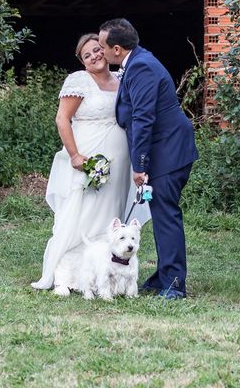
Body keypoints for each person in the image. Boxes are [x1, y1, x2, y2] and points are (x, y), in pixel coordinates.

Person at [31, 33, 150, 291]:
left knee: (111, 214)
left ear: (107, 50)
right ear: (82, 62)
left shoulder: (121, 79)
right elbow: (62, 119)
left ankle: (105, 274)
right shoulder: (79, 81)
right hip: (89, 159)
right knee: (83, 213)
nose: (95, 56)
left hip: (118, 163)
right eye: (88, 55)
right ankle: (66, 275)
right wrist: (74, 155)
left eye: (98, 50)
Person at [98, 18, 198, 300]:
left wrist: (140, 165)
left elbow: (143, 118)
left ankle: (175, 284)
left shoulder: (141, 66)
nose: (100, 51)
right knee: (161, 214)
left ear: (117, 49)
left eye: (103, 46)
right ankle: (162, 276)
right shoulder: (138, 61)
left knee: (167, 216)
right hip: (166, 149)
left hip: (168, 151)